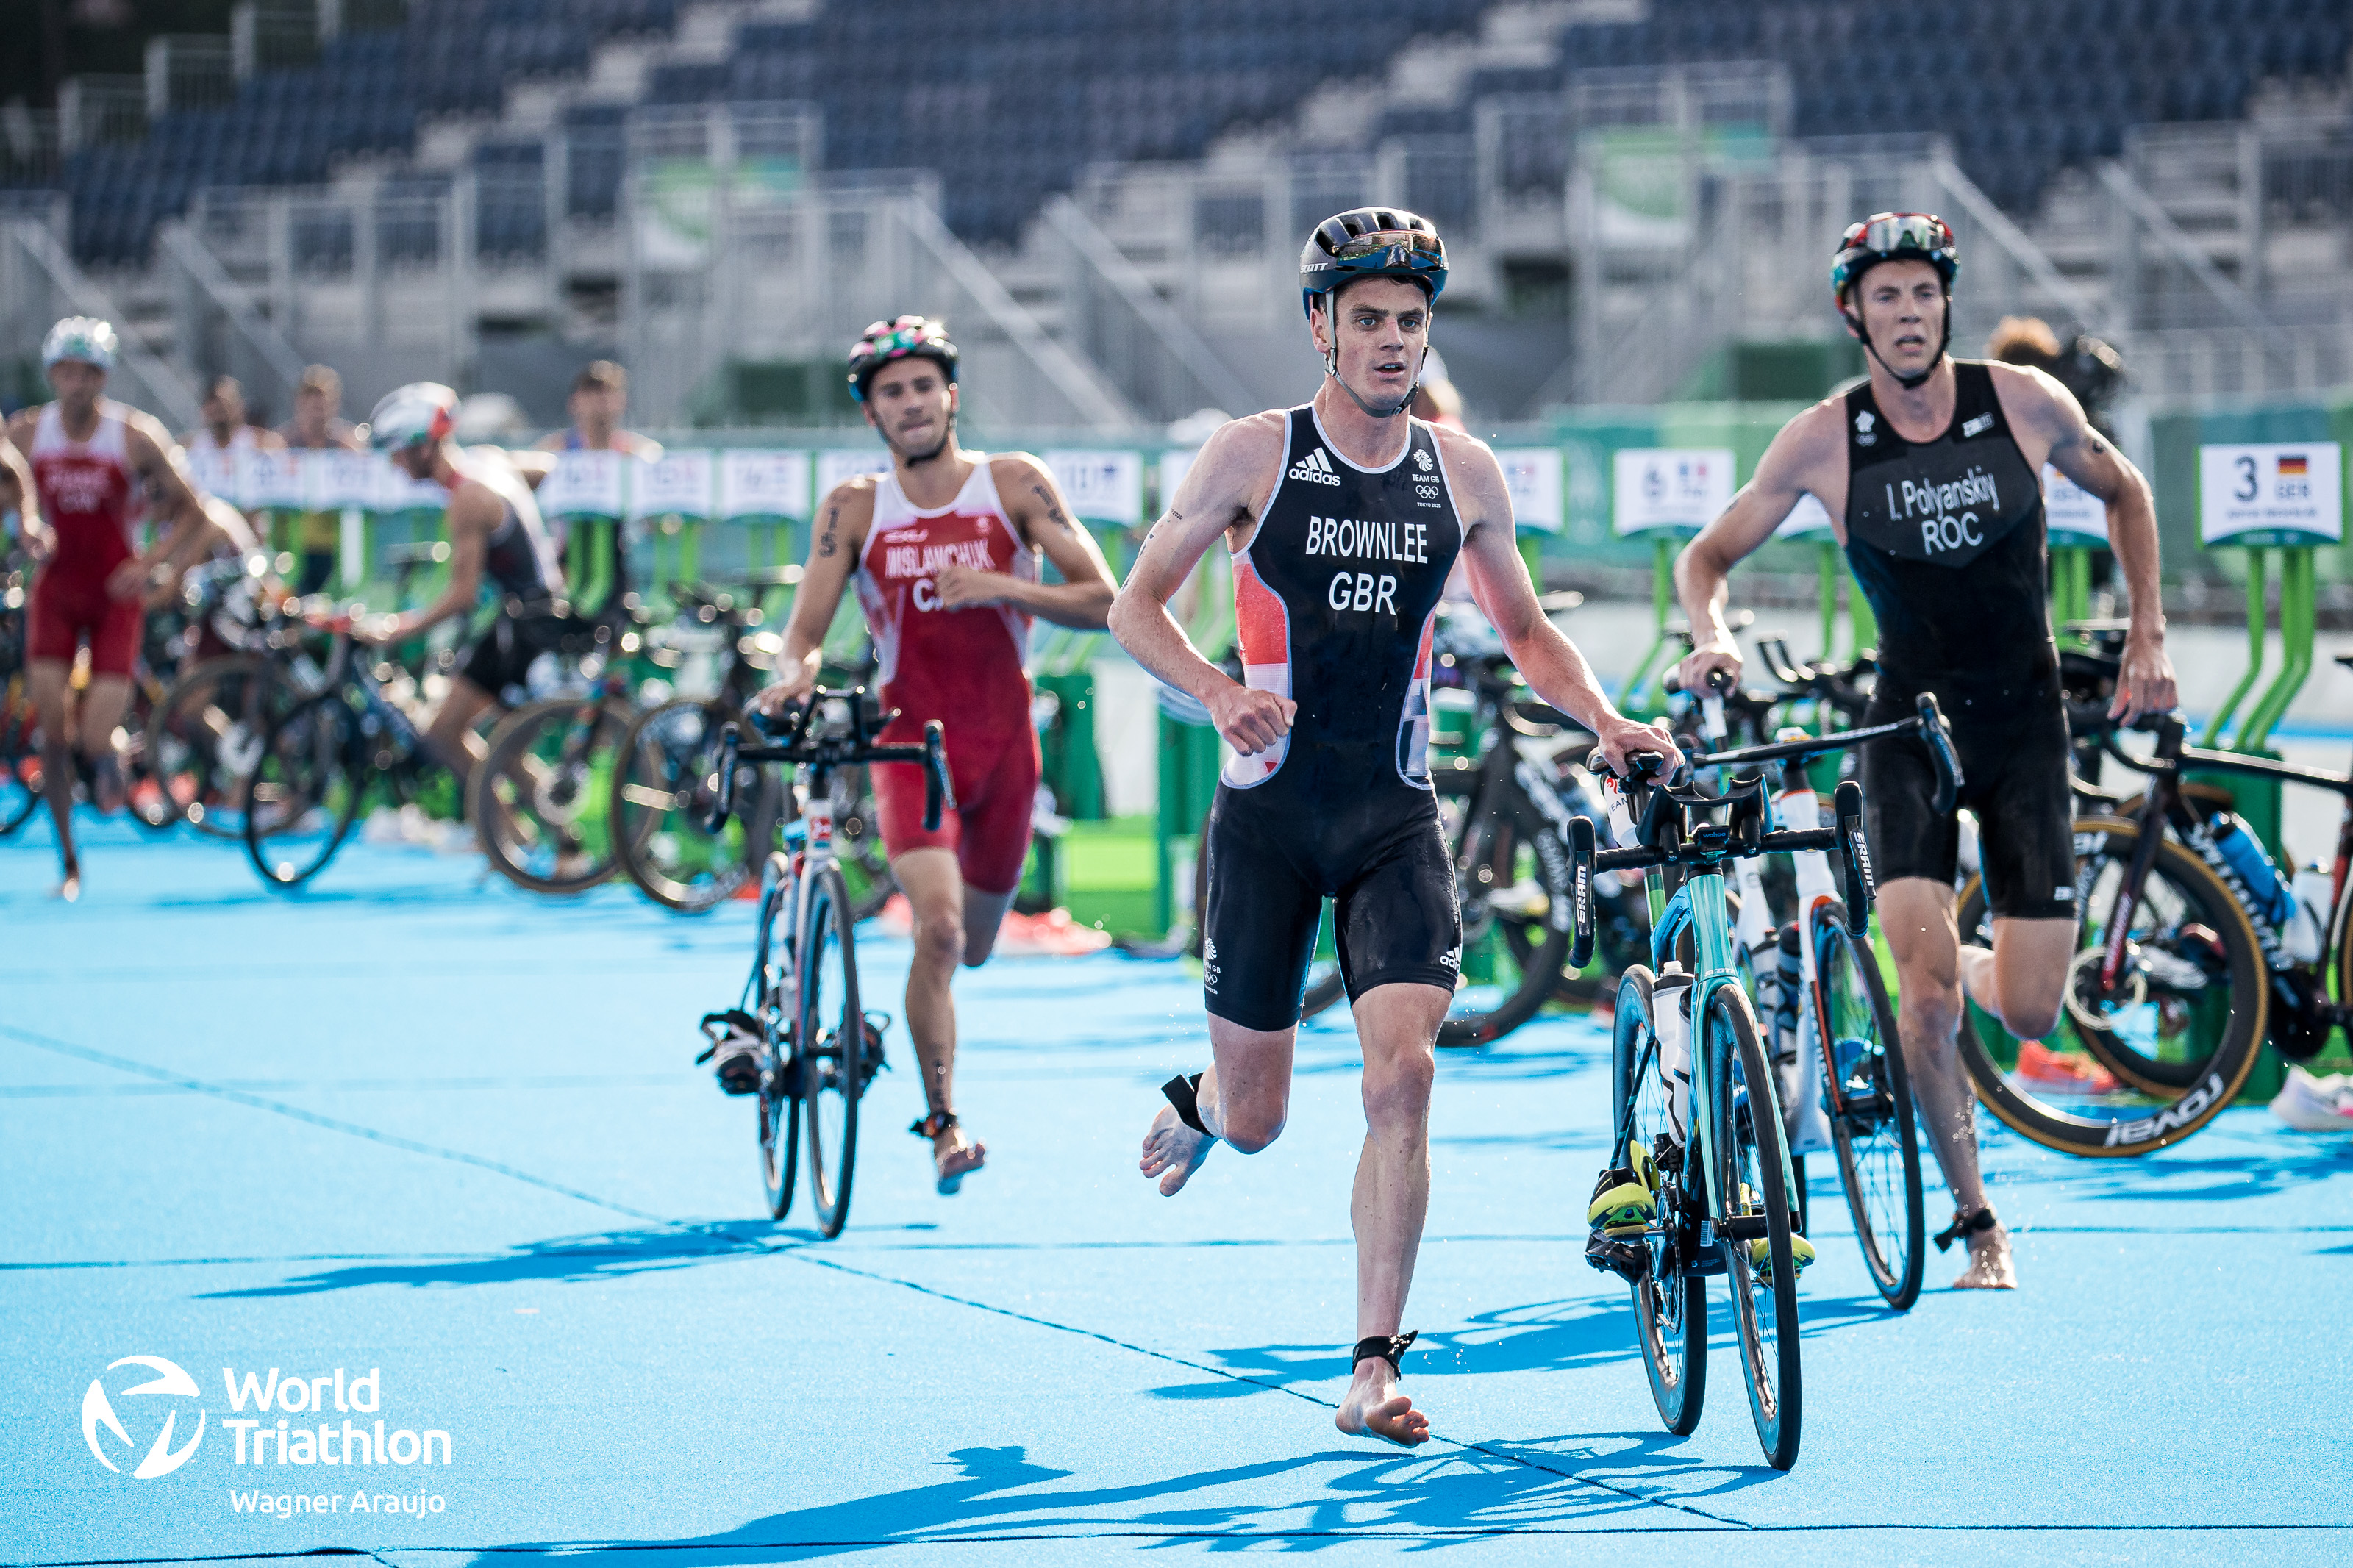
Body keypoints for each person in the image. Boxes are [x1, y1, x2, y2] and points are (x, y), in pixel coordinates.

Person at [1110, 210, 1677, 1446]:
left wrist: (1604, 715)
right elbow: (1132, 605)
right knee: (1260, 1120)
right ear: (1321, 324)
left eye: (1411, 320)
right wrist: (1217, 691)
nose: (1391, 339)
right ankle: (1206, 1101)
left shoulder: (1464, 470)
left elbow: (1525, 631)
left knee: (1402, 1077)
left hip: (1393, 821)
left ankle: (1371, 1366)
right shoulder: (1252, 455)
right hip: (1266, 822)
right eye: (1367, 317)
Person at [1668, 213, 2178, 1289]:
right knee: (1929, 1001)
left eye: (1923, 294)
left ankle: (1966, 965)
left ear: (1947, 303)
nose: (1908, 314)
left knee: (2034, 1005)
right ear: (1853, 314)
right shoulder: (1821, 438)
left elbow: (2126, 491)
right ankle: (1977, 1218)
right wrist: (1709, 632)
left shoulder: (2025, 403)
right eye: (1885, 297)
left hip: (2027, 724)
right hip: (1909, 731)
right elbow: (1704, 556)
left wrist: (2148, 632)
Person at [749, 317, 1118, 1196]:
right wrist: (788, 678)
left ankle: (915, 1026)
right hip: (911, 743)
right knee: (940, 930)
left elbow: (1104, 598)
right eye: (890, 393)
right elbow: (801, 635)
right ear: (871, 413)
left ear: (949, 394)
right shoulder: (853, 505)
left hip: (1005, 748)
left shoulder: (1013, 482)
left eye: (922, 386)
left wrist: (1003, 586)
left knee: (975, 948)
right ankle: (943, 1122)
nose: (909, 404)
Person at [0, 318, 218, 898]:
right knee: (49, 734)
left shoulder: (134, 435)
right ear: (52, 374)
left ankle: (110, 752)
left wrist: (152, 565)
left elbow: (198, 510)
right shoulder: (26, 433)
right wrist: (23, 528)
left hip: (115, 597)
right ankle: (69, 864)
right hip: (54, 592)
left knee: (93, 741)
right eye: (67, 372)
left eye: (89, 372)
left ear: (103, 377)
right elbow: (10, 489)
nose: (77, 383)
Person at [350, 383, 565, 792]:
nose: (394, 464)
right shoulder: (486, 463)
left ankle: (511, 840)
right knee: (500, 747)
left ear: (424, 447)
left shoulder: (467, 498)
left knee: (445, 732)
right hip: (531, 614)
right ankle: (525, 843)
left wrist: (399, 629)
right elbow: (542, 469)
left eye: (396, 452)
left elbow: (462, 594)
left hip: (524, 623)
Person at [534, 361, 662, 598]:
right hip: (565, 559)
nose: (599, 401)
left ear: (621, 401)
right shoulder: (551, 452)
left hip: (618, 560)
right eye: (591, 392)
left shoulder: (639, 455)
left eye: (607, 392)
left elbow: (657, 522)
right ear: (574, 402)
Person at [278, 365, 362, 595]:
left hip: (332, 544)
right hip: (290, 545)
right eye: (312, 404)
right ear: (299, 404)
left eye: (324, 404)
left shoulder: (347, 445)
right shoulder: (281, 445)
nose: (318, 411)